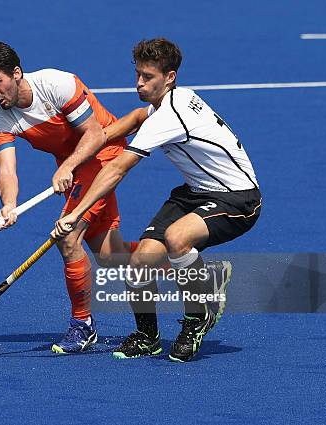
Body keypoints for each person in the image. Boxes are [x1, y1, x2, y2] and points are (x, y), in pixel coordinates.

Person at [54, 38, 261, 362]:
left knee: (178, 239)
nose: (139, 83)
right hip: (195, 192)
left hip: (237, 200)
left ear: (170, 77)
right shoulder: (166, 103)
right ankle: (148, 336)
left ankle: (196, 319)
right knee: (140, 262)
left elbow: (117, 169)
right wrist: (86, 149)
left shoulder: (170, 117)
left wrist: (75, 214)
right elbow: (138, 117)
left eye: (147, 77)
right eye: (137, 74)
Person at [0, 42, 139, 354]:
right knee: (110, 256)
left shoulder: (57, 84)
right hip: (75, 166)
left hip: (103, 154)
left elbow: (94, 134)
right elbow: (7, 170)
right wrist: (8, 203)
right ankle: (190, 269)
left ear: (16, 73)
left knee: (68, 236)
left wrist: (68, 166)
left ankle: (82, 325)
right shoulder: (0, 119)